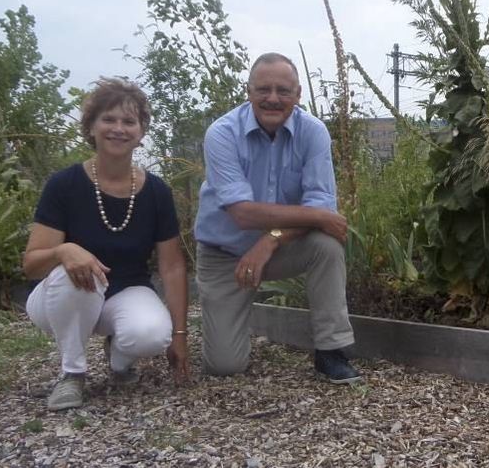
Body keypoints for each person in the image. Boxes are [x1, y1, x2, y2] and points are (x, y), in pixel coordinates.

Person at [23, 78, 190, 411]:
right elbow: (31, 263)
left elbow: (171, 265)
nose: (119, 129)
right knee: (77, 273)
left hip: (126, 290)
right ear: (91, 126)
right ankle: (72, 374)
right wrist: (63, 250)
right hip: (63, 298)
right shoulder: (65, 185)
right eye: (109, 119)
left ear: (141, 132)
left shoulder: (156, 192)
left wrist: (180, 336)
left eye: (129, 121)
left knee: (152, 332)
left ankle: (119, 360)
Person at [194, 52, 360, 383]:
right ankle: (232, 322)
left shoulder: (313, 132)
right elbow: (242, 213)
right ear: (249, 91)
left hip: (280, 249)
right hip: (223, 255)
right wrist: (316, 216)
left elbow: (322, 214)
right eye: (263, 90)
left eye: (283, 91)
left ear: (298, 95)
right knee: (225, 366)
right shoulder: (222, 133)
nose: (273, 99)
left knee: (326, 246)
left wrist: (271, 240)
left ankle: (331, 352)